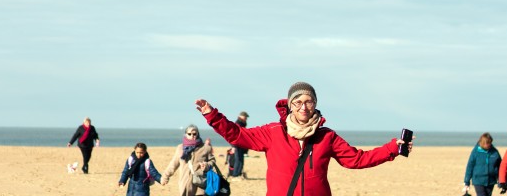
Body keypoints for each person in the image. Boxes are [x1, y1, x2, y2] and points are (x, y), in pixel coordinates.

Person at [195, 81, 413, 196]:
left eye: (308, 101)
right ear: (290, 105)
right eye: (297, 102)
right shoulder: (273, 132)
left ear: (315, 104)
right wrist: (211, 115)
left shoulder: (326, 136)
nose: (303, 106)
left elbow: (356, 159)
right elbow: (237, 134)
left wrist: (392, 148)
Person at [160, 125, 216, 196]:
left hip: (200, 184)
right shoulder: (180, 148)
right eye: (189, 134)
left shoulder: (206, 148)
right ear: (186, 135)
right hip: (185, 183)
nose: (192, 136)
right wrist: (165, 176)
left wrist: (206, 165)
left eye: (194, 134)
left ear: (198, 134)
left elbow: (212, 161)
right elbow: (173, 164)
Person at [231, 111, 249, 180]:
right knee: (238, 160)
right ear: (241, 116)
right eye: (245, 117)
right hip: (237, 144)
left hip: (241, 144)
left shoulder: (243, 124)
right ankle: (235, 175)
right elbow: (234, 135)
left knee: (241, 160)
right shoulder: (238, 123)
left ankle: (239, 173)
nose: (246, 118)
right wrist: (233, 146)